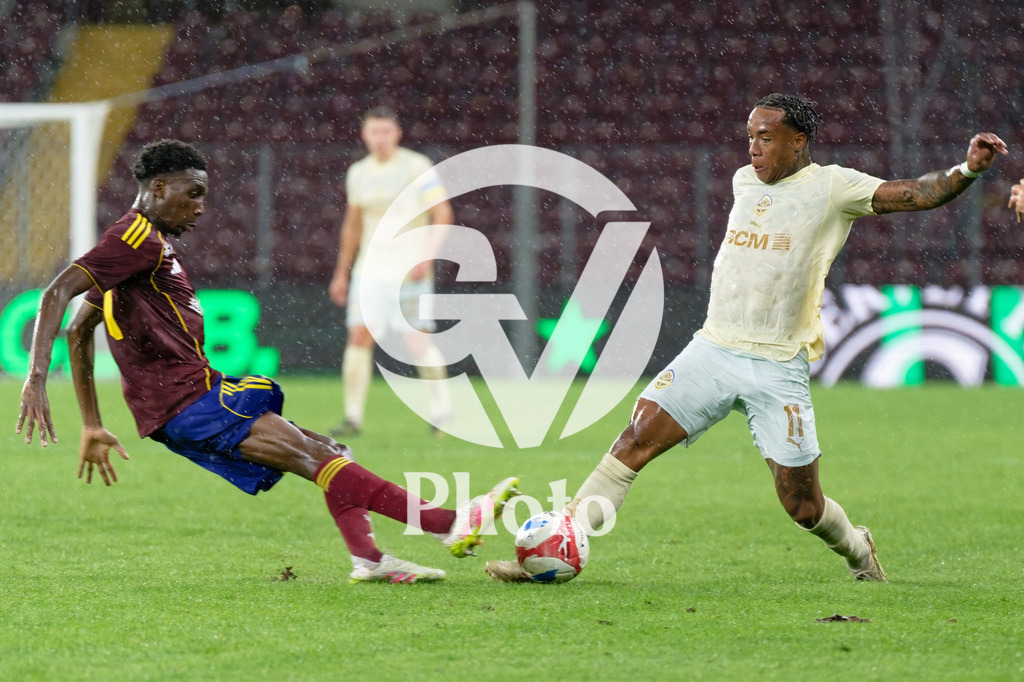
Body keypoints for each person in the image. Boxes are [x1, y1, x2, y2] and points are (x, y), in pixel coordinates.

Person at [485, 93, 1007, 582]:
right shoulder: (744, 181)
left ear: (798, 141)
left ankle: (857, 547)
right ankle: (555, 551)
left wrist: (967, 170)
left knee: (802, 506)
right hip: (713, 347)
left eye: (766, 138)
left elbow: (915, 194)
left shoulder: (833, 187)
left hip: (777, 363)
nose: (754, 148)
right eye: (750, 137)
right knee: (634, 441)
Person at [16, 138, 519, 584]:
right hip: (188, 402)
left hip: (188, 399)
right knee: (315, 457)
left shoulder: (142, 245)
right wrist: (37, 377)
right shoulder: (134, 240)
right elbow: (56, 295)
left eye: (203, 197)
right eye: (192, 195)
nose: (199, 208)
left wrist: (92, 424)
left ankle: (369, 558)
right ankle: (448, 523)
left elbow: (81, 330)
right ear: (160, 187)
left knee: (325, 448)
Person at [327, 106, 454, 438]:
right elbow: (352, 225)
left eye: (386, 132)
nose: (380, 139)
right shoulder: (358, 172)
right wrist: (342, 272)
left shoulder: (416, 167)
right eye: (374, 132)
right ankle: (352, 417)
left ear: (397, 134)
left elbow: (443, 215)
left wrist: (427, 257)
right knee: (358, 336)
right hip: (370, 273)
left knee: (415, 341)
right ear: (364, 135)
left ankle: (442, 411)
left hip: (409, 271)